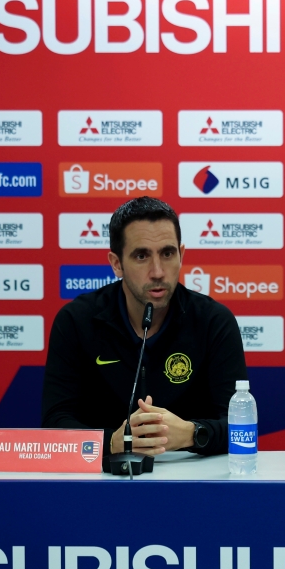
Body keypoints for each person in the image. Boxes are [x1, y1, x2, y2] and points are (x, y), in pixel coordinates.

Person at [42, 196, 247, 458]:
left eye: (168, 253)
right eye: (141, 256)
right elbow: (54, 424)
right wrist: (113, 443)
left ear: (182, 255)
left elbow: (241, 425)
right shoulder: (76, 321)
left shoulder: (213, 321)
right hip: (102, 481)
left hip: (191, 482)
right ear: (116, 264)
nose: (158, 271)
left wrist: (191, 433)